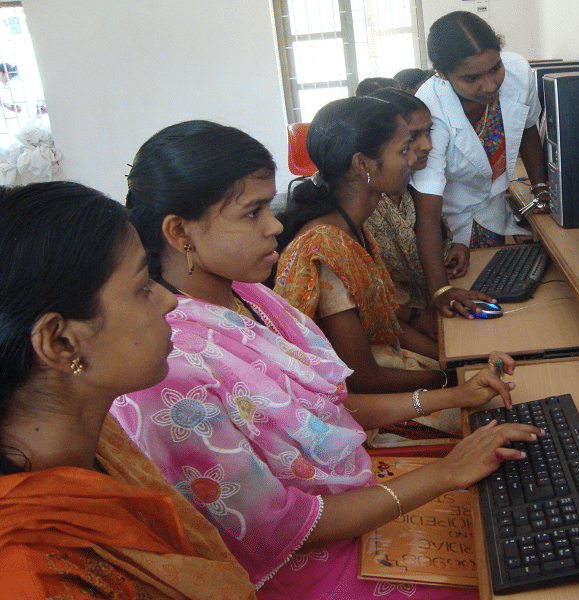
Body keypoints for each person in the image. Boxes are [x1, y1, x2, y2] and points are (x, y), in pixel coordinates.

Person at [115, 119, 544, 599]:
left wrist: (457, 393)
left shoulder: (249, 295)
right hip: (310, 564)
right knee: (515, 573)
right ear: (179, 232)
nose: (274, 224)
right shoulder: (171, 369)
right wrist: (445, 474)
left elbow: (328, 412)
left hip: (356, 498)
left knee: (522, 515)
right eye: (252, 212)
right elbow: (279, 530)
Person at [0, 182, 256, 599]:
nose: (167, 301)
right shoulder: (34, 574)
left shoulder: (96, 440)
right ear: (60, 342)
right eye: (142, 287)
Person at [274, 97, 456, 396]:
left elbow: (389, 325)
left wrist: (451, 360)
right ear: (362, 164)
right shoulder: (324, 247)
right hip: (369, 408)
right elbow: (363, 381)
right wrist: (451, 380)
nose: (412, 159)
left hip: (396, 372)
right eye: (402, 150)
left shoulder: (351, 228)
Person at [410, 11, 552, 318]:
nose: (489, 85)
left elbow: (527, 126)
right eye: (471, 78)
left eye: (494, 68)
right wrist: (440, 290)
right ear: (443, 74)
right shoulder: (431, 109)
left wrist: (541, 188)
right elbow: (428, 210)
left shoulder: (516, 72)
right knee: (472, 298)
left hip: (493, 205)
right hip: (449, 223)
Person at [364, 86, 470, 338]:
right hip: (399, 327)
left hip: (430, 305)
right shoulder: (364, 205)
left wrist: (455, 247)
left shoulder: (412, 185)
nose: (428, 145)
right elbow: (378, 305)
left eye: (429, 131)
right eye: (413, 136)